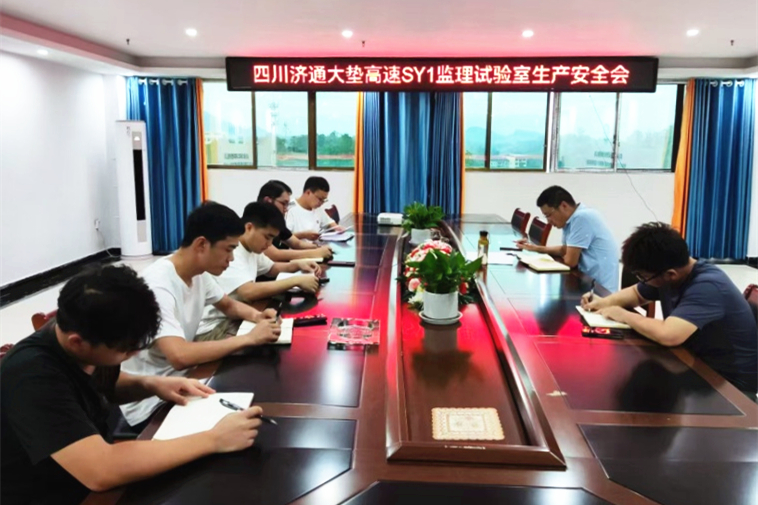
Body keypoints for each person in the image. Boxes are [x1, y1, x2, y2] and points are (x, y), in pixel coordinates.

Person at [1, 266, 266, 505]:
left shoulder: (85, 332)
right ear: (77, 342)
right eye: (127, 351)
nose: (134, 355)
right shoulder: (31, 376)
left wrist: (151, 384)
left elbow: (100, 384)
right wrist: (214, 439)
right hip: (55, 493)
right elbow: (101, 471)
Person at [120, 202, 280, 429]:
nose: (231, 259)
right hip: (152, 401)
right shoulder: (158, 285)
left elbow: (229, 305)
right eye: (228, 249)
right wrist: (249, 338)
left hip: (186, 381)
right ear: (202, 244)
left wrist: (259, 316)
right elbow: (179, 356)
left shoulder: (198, 273)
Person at [582, 222, 758, 396]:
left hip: (730, 386)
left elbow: (669, 335)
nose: (642, 281)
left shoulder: (708, 286)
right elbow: (637, 293)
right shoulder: (672, 273)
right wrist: (605, 302)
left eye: (643, 277)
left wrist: (623, 315)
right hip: (694, 362)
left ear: (670, 274)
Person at [198, 202, 323, 337]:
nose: (269, 244)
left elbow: (271, 268)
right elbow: (247, 292)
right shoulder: (230, 251)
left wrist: (298, 265)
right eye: (267, 237)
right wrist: (295, 280)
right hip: (215, 326)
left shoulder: (251, 249)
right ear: (249, 228)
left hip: (233, 316)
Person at [518, 186, 619, 292]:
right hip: (585, 281)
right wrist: (536, 248)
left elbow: (570, 261)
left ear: (564, 206)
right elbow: (565, 249)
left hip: (600, 291)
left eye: (549, 215)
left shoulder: (581, 218)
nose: (548, 221)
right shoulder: (572, 219)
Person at [257, 180, 333, 261]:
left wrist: (319, 248)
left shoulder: (276, 221)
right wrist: (315, 253)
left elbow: (296, 243)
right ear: (268, 200)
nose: (286, 209)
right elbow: (275, 254)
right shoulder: (256, 222)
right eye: (283, 203)